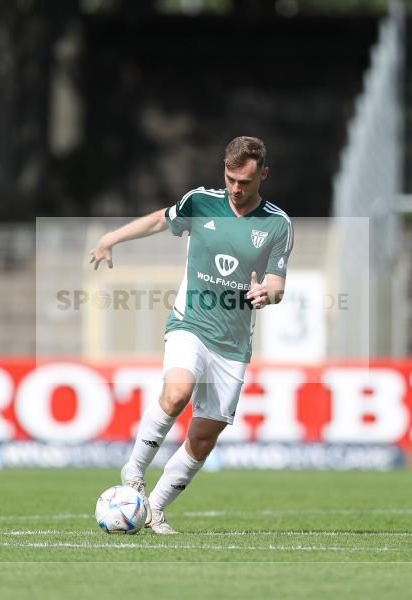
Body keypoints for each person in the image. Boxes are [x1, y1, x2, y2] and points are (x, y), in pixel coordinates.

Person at [89, 136, 294, 534]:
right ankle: (134, 471)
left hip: (232, 346)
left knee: (202, 439)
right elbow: (158, 220)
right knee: (177, 393)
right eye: (230, 179)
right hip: (191, 324)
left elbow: (277, 284)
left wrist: (266, 294)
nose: (236, 188)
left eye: (245, 182)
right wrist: (110, 238)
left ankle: (153, 509)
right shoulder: (200, 202)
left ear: (263, 175)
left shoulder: (277, 224)